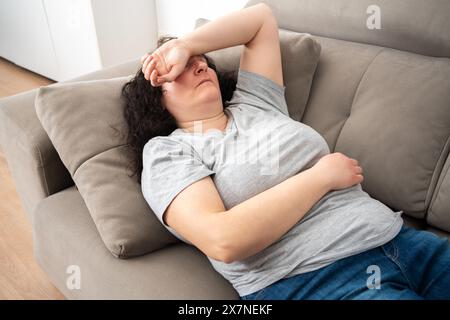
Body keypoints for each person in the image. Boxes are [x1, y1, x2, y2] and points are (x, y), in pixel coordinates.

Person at [121, 3, 450, 300]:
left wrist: (185, 45)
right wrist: (320, 178)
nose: (200, 67)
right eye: (180, 68)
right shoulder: (167, 151)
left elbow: (260, 18)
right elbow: (223, 240)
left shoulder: (255, 102)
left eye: (203, 61)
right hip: (318, 280)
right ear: (156, 97)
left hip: (400, 240)